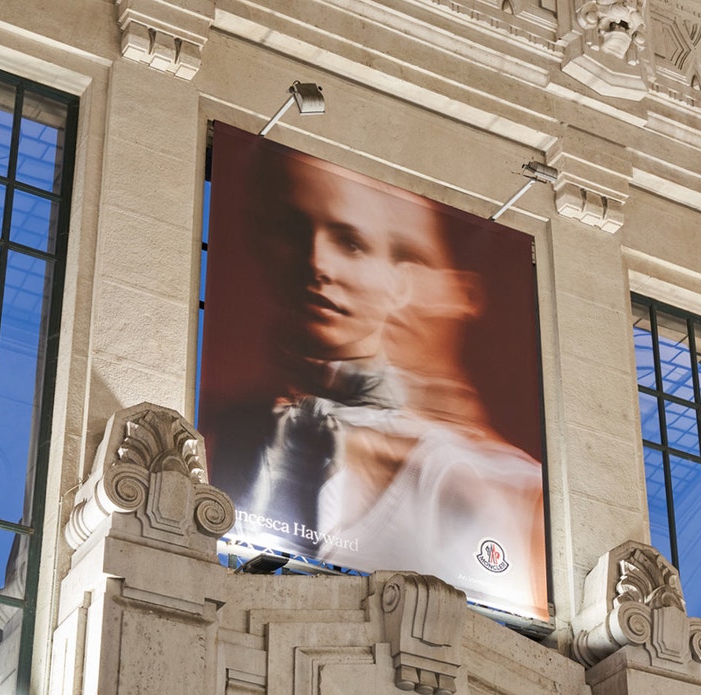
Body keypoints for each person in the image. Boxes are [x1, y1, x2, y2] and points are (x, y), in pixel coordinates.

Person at [206, 139, 547, 621]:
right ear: (261, 244)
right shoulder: (215, 438)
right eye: (292, 230)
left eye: (351, 243)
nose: (318, 265)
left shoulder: (500, 486)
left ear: (398, 281)